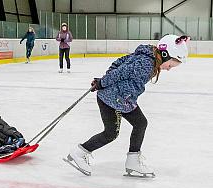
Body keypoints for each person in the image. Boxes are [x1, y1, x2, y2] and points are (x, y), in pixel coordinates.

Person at [65, 34, 190, 176]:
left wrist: (104, 80)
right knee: (111, 133)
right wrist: (103, 83)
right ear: (166, 54)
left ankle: (133, 160)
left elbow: (120, 62)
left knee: (140, 123)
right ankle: (79, 153)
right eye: (171, 65)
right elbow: (120, 71)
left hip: (121, 99)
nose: (169, 69)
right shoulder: (146, 63)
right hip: (112, 100)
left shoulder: (147, 58)